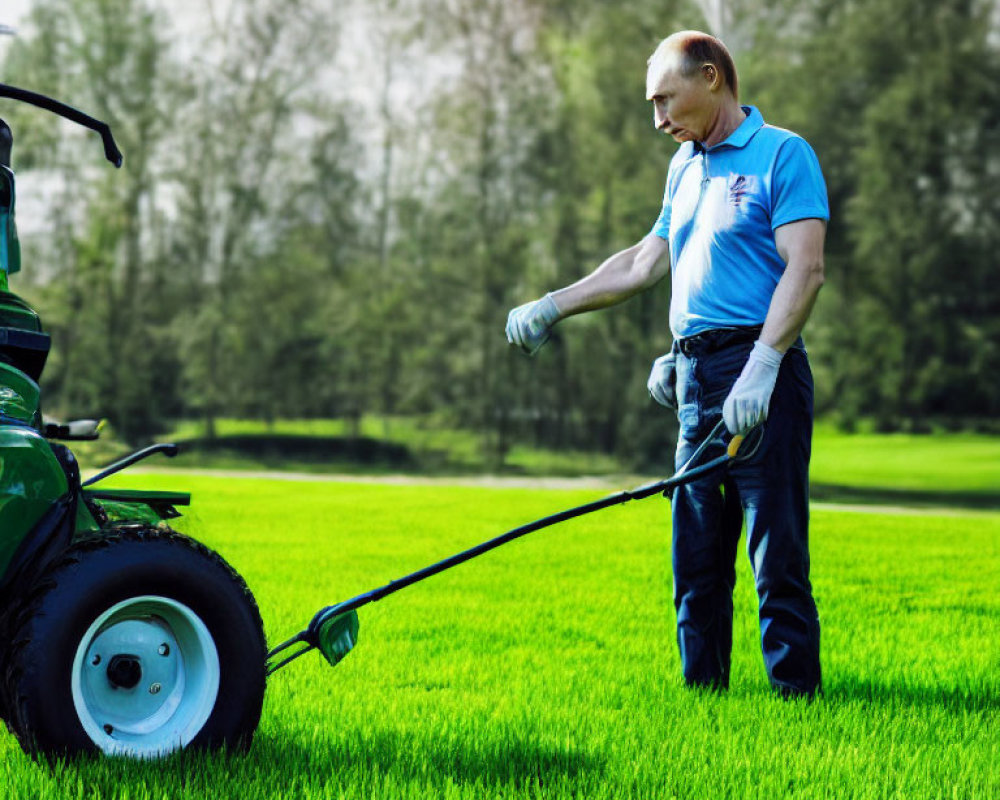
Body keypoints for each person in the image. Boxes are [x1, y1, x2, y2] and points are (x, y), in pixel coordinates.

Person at [505, 30, 827, 697]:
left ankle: (798, 700)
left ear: (710, 78)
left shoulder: (783, 155)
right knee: (696, 552)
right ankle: (701, 697)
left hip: (763, 377)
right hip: (694, 379)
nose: (657, 121)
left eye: (665, 100)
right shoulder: (684, 166)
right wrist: (552, 305)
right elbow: (647, 262)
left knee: (776, 554)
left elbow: (806, 266)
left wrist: (763, 362)